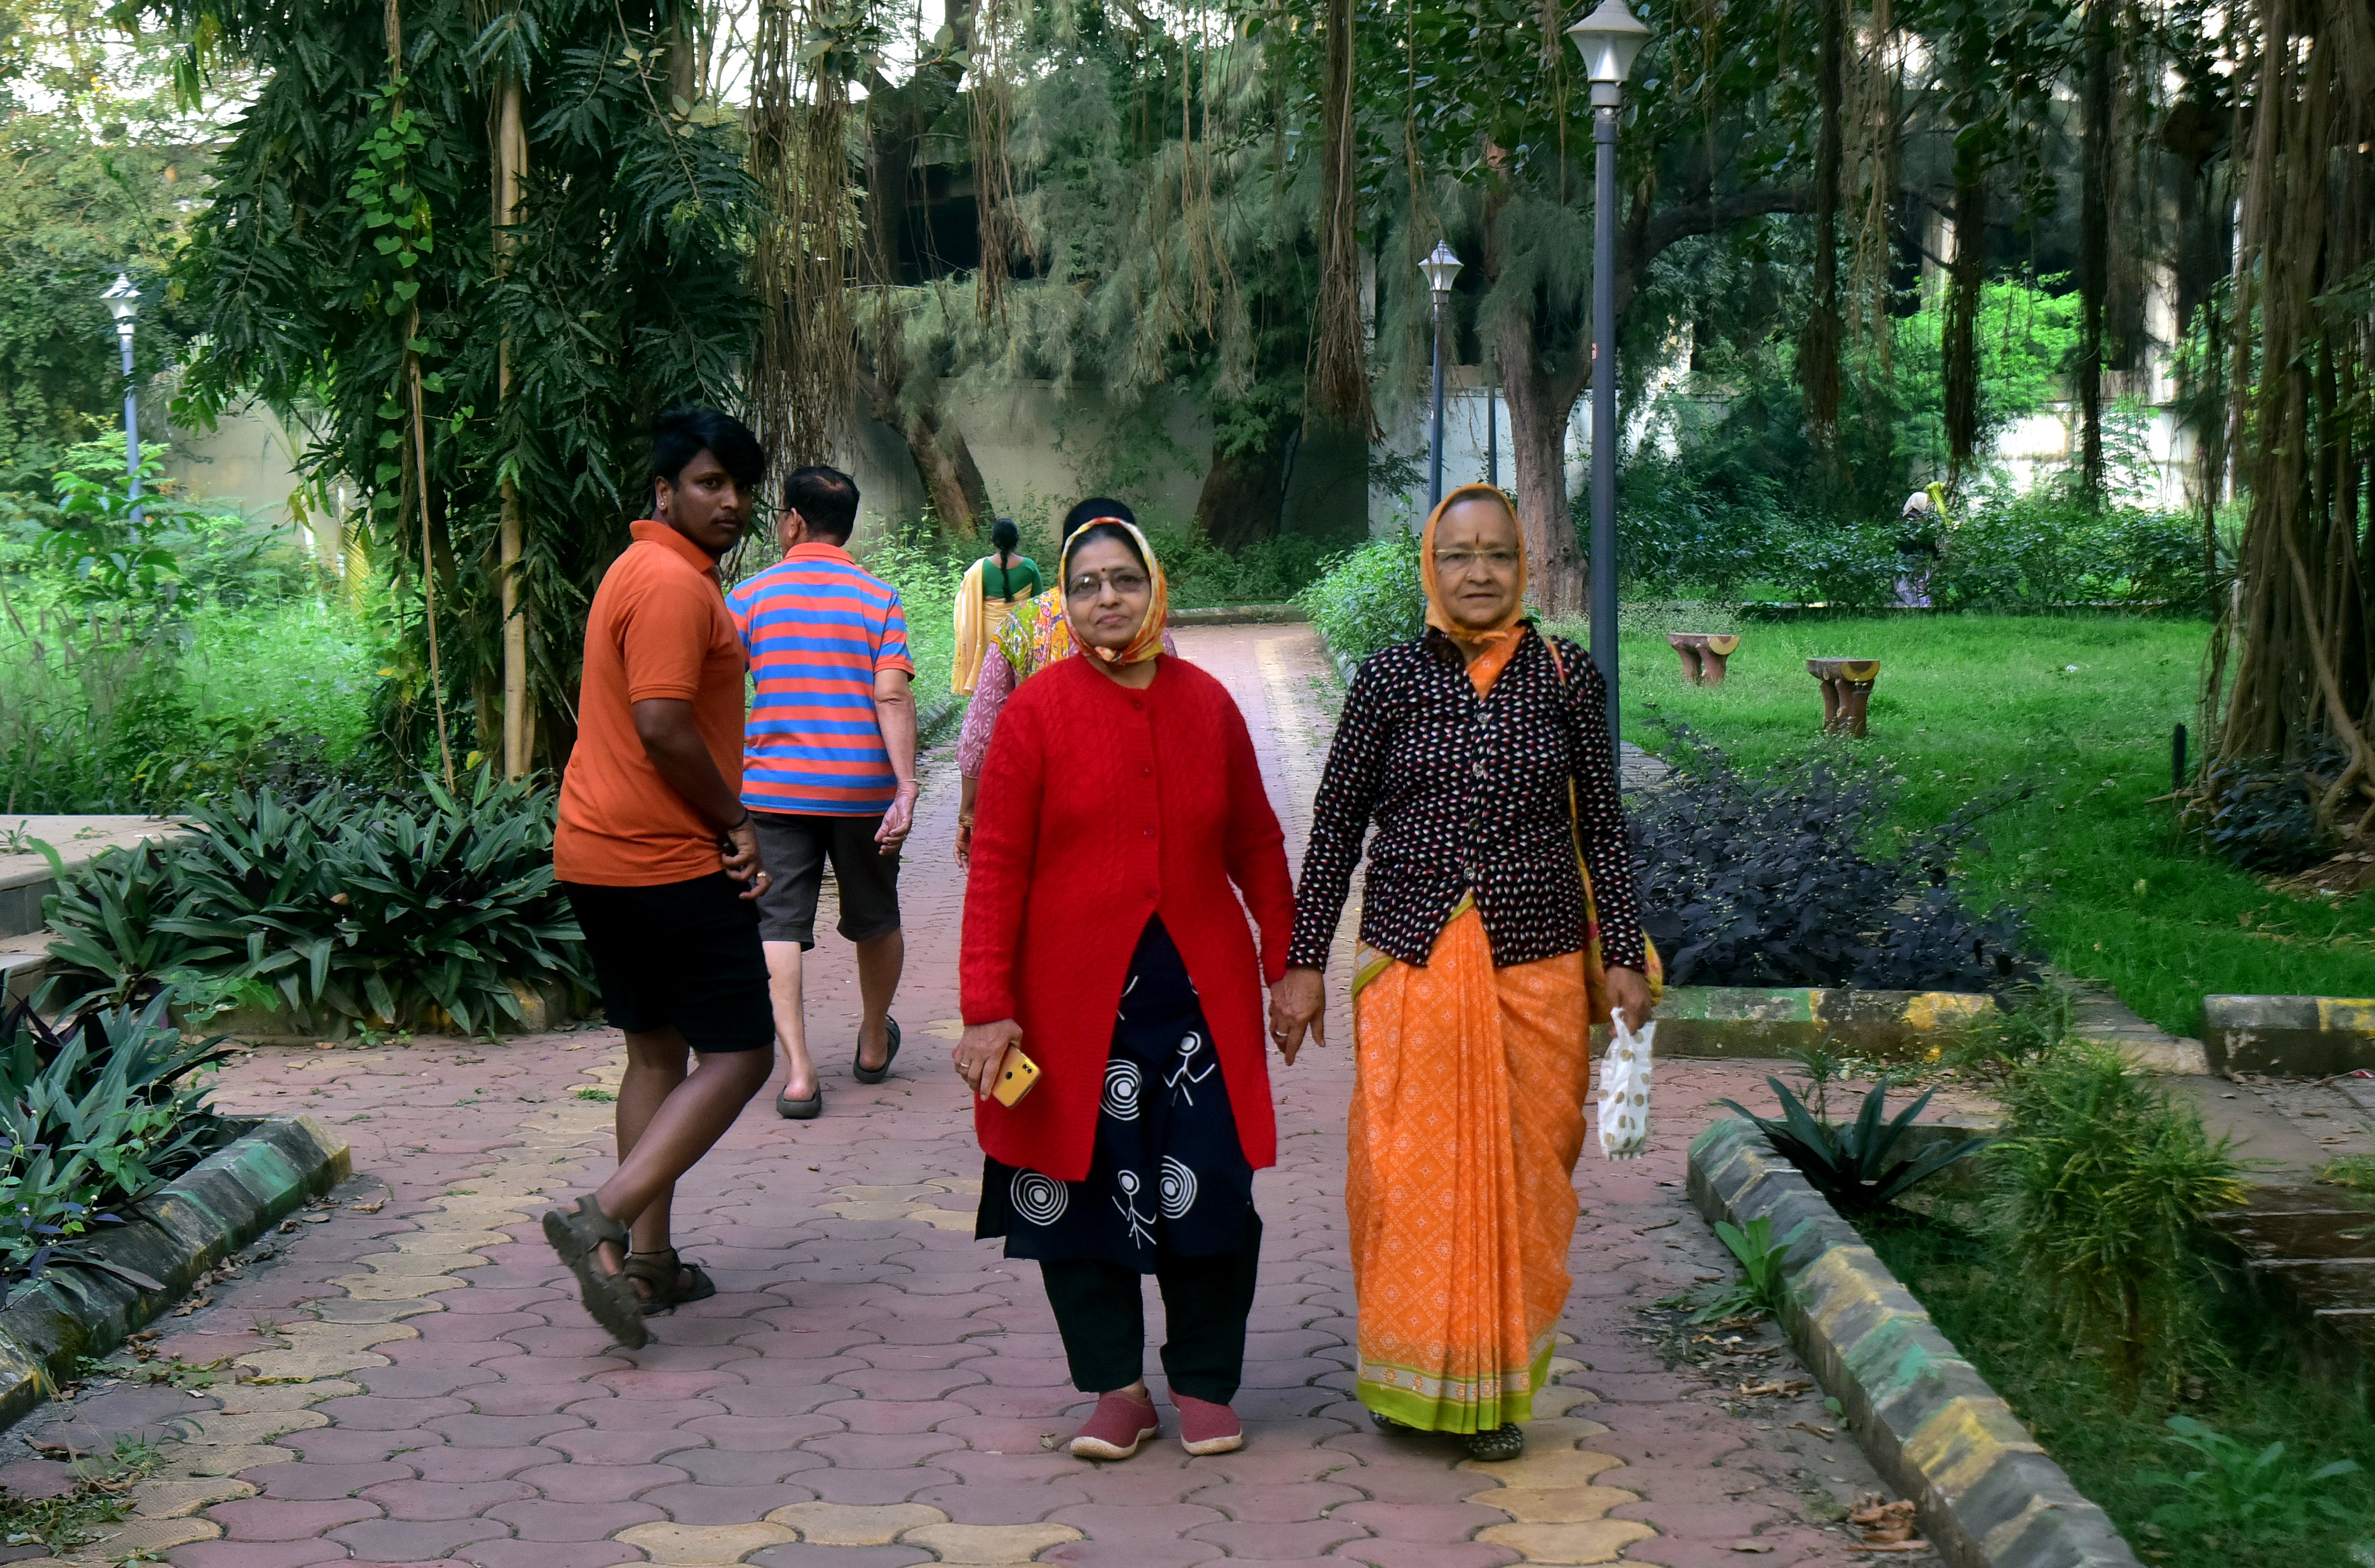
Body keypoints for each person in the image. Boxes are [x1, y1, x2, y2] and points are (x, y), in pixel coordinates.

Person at [1268, 482, 1657, 1462]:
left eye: (1494, 553)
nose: (1476, 572)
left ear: (1520, 563)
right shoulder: (1390, 680)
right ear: (1429, 569)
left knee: (1526, 1180)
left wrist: (1622, 950)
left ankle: (1493, 1390)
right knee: (1404, 1173)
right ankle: (1412, 1377)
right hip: (1411, 956)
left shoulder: (1568, 676)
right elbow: (1335, 835)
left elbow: (1602, 828)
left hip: (1538, 959)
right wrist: (1303, 963)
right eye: (1456, 555)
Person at [953, 518, 1300, 1462]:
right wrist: (988, 1006)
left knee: (1211, 1194)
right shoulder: (1037, 714)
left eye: (1124, 579)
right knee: (1075, 1196)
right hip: (1071, 1013)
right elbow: (995, 870)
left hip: (1199, 1002)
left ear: (1155, 587)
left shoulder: (1208, 704)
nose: (1107, 597)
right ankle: (1117, 1389)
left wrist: (1289, 964)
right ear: (1062, 599)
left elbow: (1258, 844)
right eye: (1086, 583)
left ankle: (1203, 1383)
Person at [544, 405, 779, 1349]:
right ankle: (604, 1212)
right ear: (664, 490)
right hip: (665, 860)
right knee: (743, 1054)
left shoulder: (634, 570)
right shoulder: (677, 586)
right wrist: (735, 819)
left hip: (598, 852)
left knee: (655, 1051)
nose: (729, 501)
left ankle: (647, 1262)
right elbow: (662, 723)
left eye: (739, 485)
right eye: (708, 483)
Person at [724, 466, 918, 1120]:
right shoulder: (878, 598)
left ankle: (801, 1073)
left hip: (773, 788)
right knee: (876, 914)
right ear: (849, 526)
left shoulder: (749, 597)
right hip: (864, 790)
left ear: (793, 521)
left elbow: (720, 691)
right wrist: (908, 785)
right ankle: (870, 1041)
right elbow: (891, 692)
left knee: (777, 924)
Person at [953, 498, 1179, 866]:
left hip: (1044, 818)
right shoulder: (1149, 629)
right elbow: (1173, 728)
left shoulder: (1022, 624)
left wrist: (970, 813)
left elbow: (981, 733)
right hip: (1137, 815)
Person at [952, 517, 1042, 694]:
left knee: (993, 684)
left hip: (989, 634)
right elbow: (1039, 602)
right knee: (1020, 685)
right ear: (1017, 540)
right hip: (1021, 632)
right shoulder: (1029, 567)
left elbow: (965, 601)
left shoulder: (980, 568)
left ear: (993, 540)